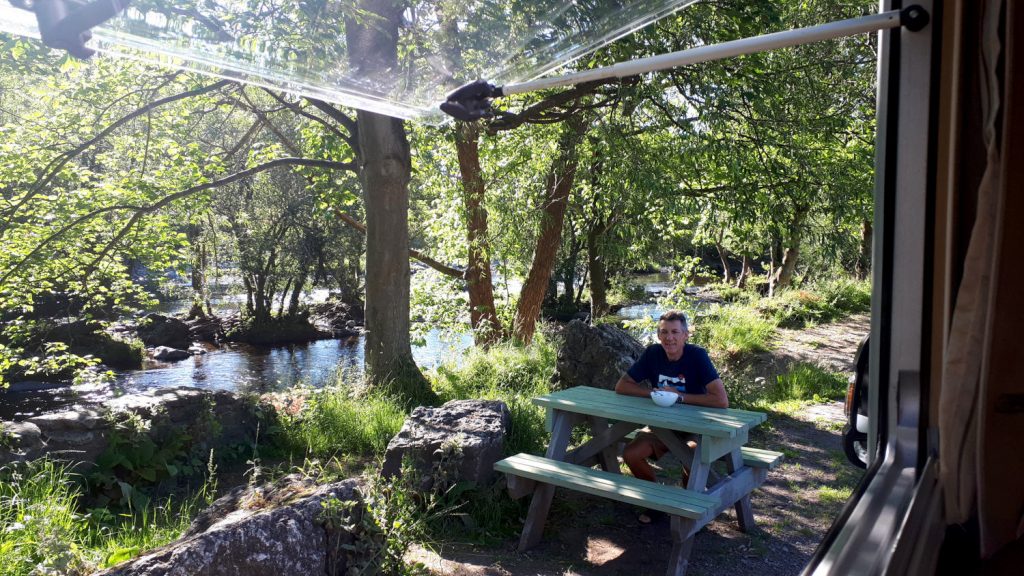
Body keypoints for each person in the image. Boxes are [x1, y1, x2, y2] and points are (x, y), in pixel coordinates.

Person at [614, 310, 728, 523]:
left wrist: (680, 397)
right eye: (664, 332)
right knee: (631, 454)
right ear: (658, 335)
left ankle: (687, 505)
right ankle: (656, 501)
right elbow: (622, 386)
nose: (670, 337)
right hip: (662, 427)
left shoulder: (697, 356)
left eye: (675, 332)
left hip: (698, 427)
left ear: (685, 335)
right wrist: (654, 394)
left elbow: (721, 400)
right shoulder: (653, 354)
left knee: (694, 457)